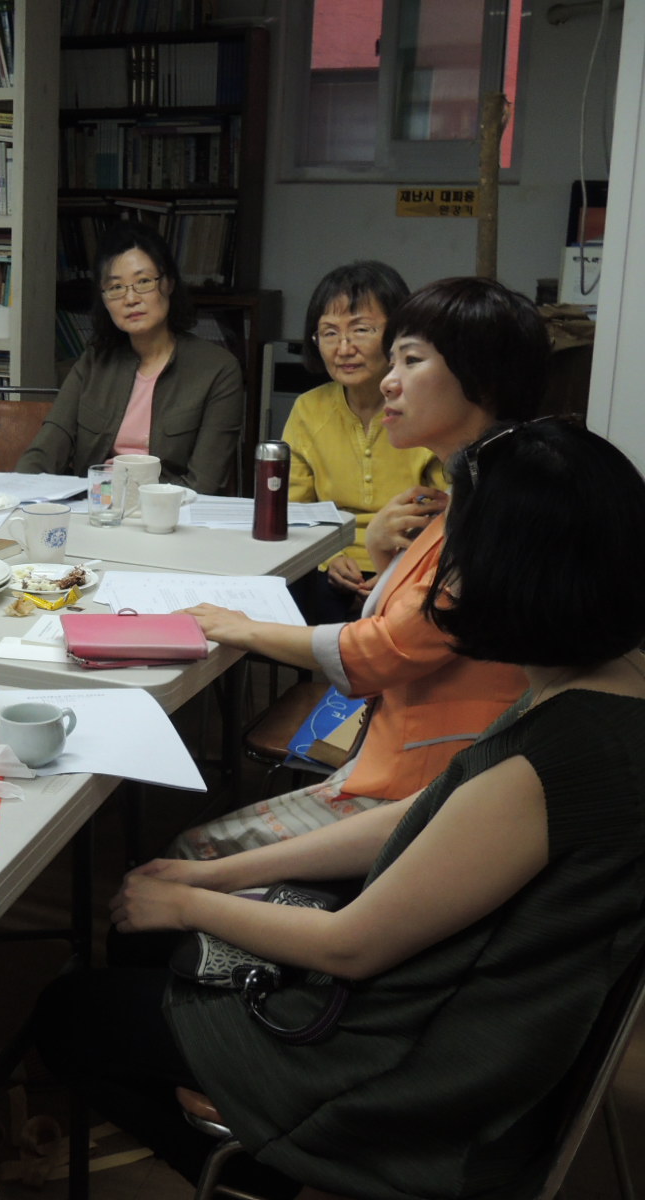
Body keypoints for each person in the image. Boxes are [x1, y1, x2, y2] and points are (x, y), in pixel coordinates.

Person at [35, 417, 645, 1200]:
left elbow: (352, 946)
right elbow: (429, 812)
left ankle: (266, 1168)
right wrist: (217, 878)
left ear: (513, 569)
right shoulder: (608, 677)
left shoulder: (554, 758)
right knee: (149, 937)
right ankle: (233, 1114)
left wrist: (189, 899)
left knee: (69, 1015)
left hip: (413, 1068)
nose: (447, 569)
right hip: (483, 1015)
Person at [172, 278, 545, 858]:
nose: (390, 379)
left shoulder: (498, 512)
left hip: (441, 778)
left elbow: (388, 648)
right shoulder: (484, 486)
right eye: (393, 360)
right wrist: (381, 553)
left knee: (188, 852)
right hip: (420, 750)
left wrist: (240, 627)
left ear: (483, 377)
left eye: (411, 360)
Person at [15, 222, 243, 494]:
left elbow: (203, 484)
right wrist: (18, 493)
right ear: (104, 299)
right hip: (97, 506)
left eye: (144, 282)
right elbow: (45, 450)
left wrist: (130, 493)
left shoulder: (218, 370)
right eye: (116, 287)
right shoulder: (93, 363)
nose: (131, 298)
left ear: (168, 283)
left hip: (170, 510)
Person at [283, 262, 444, 623]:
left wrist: (394, 567)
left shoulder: (427, 409)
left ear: (399, 334)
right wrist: (329, 559)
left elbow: (445, 514)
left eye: (361, 330)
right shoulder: (308, 409)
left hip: (411, 562)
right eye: (329, 333)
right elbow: (294, 512)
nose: (344, 348)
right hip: (326, 566)